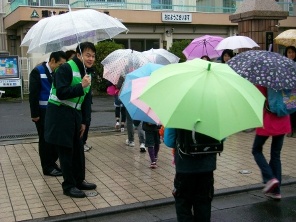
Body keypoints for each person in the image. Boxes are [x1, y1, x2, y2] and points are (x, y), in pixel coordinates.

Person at [44, 42, 97, 198]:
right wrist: (81, 85)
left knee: (78, 151)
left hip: (75, 116)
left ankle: (79, 180)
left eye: (93, 56)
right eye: (87, 55)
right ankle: (68, 186)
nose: (91, 58)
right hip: (60, 115)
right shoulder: (65, 68)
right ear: (79, 55)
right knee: (66, 152)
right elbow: (61, 92)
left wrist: (84, 121)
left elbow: (86, 99)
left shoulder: (87, 72)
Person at [164, 128, 219, 221]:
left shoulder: (177, 114)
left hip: (184, 167)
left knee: (183, 206)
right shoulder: (215, 114)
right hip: (206, 167)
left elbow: (169, 141)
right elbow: (222, 138)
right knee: (203, 206)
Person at [29, 51, 67, 177]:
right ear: (52, 61)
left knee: (53, 139)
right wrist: (34, 114)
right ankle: (47, 167)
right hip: (42, 111)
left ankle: (52, 163)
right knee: (45, 140)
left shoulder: (57, 73)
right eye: (60, 64)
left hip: (54, 110)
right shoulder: (38, 71)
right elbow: (33, 94)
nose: (62, 67)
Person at [252, 85, 291, 200]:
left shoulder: (264, 82)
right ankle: (276, 191)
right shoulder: (288, 80)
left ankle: (270, 179)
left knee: (256, 150)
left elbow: (257, 98)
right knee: (275, 155)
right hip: (283, 119)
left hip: (268, 121)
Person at [284, 46, 296, 137]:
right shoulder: (284, 64)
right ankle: (289, 129)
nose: (291, 54)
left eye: (292, 52)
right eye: (289, 52)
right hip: (288, 90)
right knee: (290, 110)